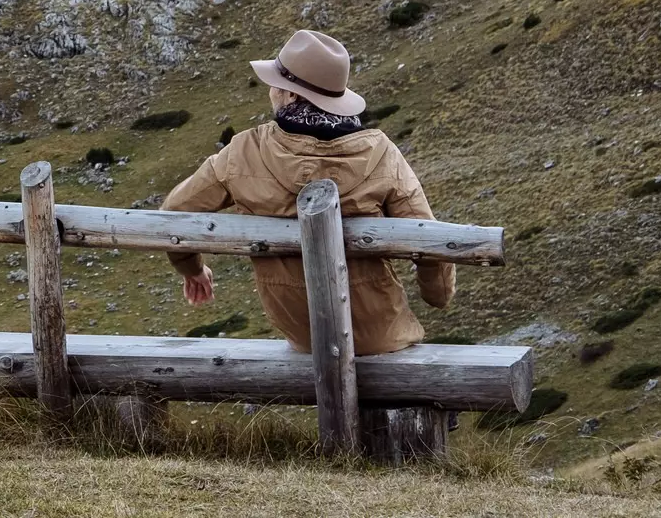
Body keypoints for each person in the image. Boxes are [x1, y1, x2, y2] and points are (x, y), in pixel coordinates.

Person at [161, 29, 453, 355]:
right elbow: (428, 236)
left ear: (291, 96)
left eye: (276, 84)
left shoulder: (243, 151)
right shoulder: (381, 153)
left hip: (304, 336)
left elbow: (175, 211)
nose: (271, 90)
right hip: (380, 335)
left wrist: (193, 269)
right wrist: (436, 295)